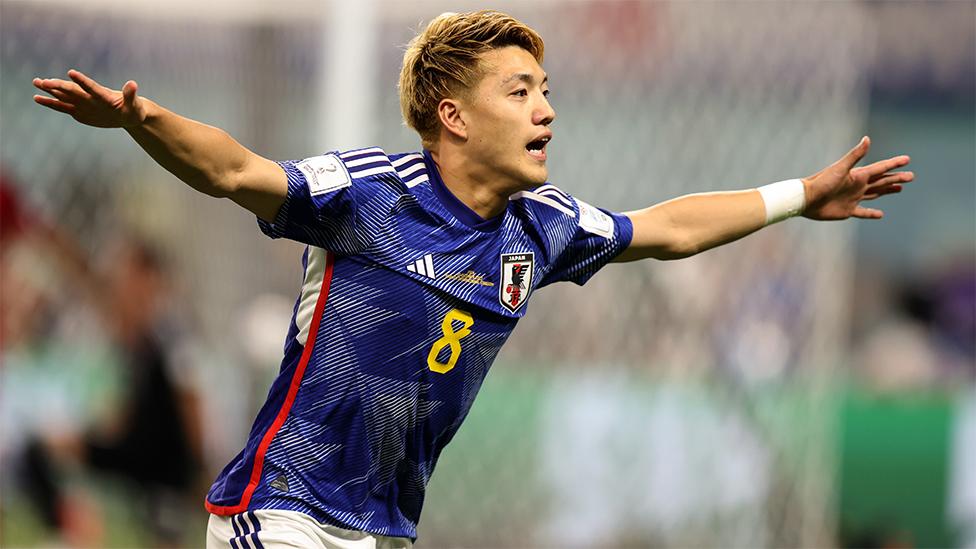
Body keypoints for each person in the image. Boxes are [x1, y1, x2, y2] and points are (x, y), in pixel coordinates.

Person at [32, 9, 913, 548]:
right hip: (283, 507)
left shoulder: (546, 226)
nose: (548, 109)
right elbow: (236, 172)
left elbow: (672, 228)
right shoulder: (370, 193)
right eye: (522, 91)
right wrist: (141, 119)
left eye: (546, 90)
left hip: (384, 527)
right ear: (453, 116)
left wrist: (801, 194)